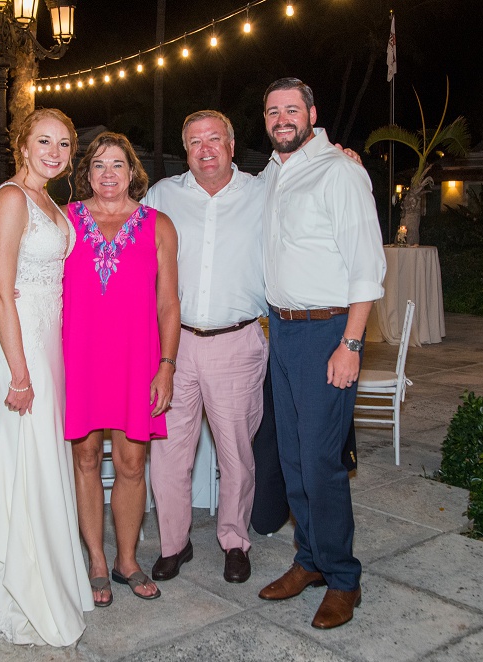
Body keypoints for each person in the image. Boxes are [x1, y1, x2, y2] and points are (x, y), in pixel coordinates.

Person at [0, 108, 93, 646]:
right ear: (22, 145)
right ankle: (21, 595)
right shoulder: (10, 198)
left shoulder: (48, 200)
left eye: (63, 144)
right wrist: (20, 375)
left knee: (40, 458)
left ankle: (45, 577)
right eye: (44, 141)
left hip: (47, 338)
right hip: (21, 344)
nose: (54, 152)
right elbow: (1, 290)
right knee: (27, 455)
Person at [257, 78, 386, 630]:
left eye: (292, 109)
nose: (282, 118)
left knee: (322, 464)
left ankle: (342, 578)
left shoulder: (340, 171)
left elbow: (367, 265)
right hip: (281, 334)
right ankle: (308, 559)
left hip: (328, 332)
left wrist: (351, 343)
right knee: (292, 461)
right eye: (272, 111)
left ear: (312, 112)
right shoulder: (273, 172)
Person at [142, 111, 267, 585]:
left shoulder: (261, 193)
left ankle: (234, 541)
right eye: (195, 141)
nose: (206, 148)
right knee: (169, 452)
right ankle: (175, 543)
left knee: (236, 452)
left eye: (215, 139)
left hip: (237, 342)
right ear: (185, 150)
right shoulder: (163, 196)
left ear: (232, 145)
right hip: (173, 347)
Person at [63, 132, 180, 606]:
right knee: (86, 459)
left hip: (138, 360)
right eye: (98, 165)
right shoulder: (65, 221)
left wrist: (167, 366)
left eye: (117, 164)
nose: (107, 174)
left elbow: (169, 304)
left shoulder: (159, 225)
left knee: (132, 464)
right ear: (85, 173)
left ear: (132, 171)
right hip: (79, 358)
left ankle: (126, 559)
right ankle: (95, 558)